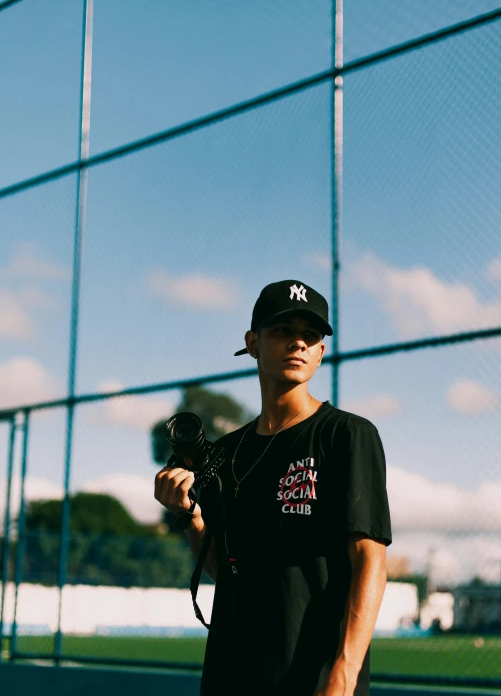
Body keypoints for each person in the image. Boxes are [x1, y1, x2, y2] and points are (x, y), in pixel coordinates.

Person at [154, 280, 392, 695]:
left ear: (321, 352)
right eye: (283, 330)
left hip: (313, 677)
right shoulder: (226, 452)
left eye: (310, 335)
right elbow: (224, 571)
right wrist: (189, 516)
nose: (297, 343)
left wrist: (344, 672)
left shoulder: (346, 435)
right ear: (253, 342)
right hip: (232, 671)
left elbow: (369, 561)